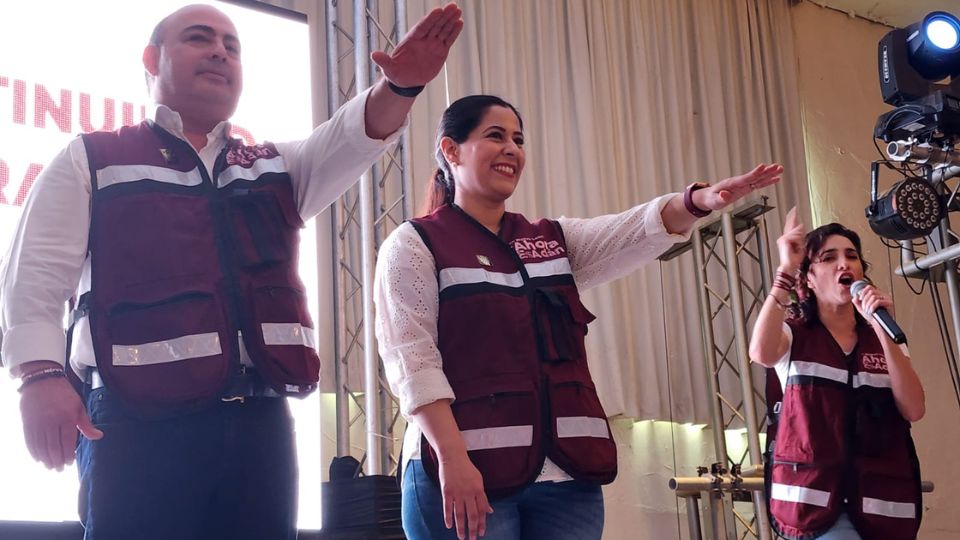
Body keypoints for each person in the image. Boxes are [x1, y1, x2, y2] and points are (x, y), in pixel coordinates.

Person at [0, 3, 464, 539]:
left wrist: (399, 88)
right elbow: (34, 273)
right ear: (152, 59)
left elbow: (350, 137)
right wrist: (38, 376)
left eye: (232, 45)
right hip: (135, 424)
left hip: (259, 427)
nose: (220, 50)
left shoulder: (273, 167)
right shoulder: (91, 158)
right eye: (200, 38)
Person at [373, 94, 783, 540]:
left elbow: (630, 230)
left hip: (567, 480)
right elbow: (411, 359)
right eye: (496, 136)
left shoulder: (552, 240)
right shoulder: (414, 243)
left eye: (519, 139)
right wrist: (453, 458)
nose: (513, 149)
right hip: (462, 472)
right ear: (451, 150)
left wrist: (700, 200)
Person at [749, 209, 925, 540]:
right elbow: (760, 352)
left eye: (852, 256)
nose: (844, 264)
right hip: (815, 509)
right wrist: (786, 270)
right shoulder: (796, 333)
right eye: (829, 258)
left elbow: (914, 409)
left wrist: (882, 329)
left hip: (882, 507)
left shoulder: (883, 334)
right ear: (810, 279)